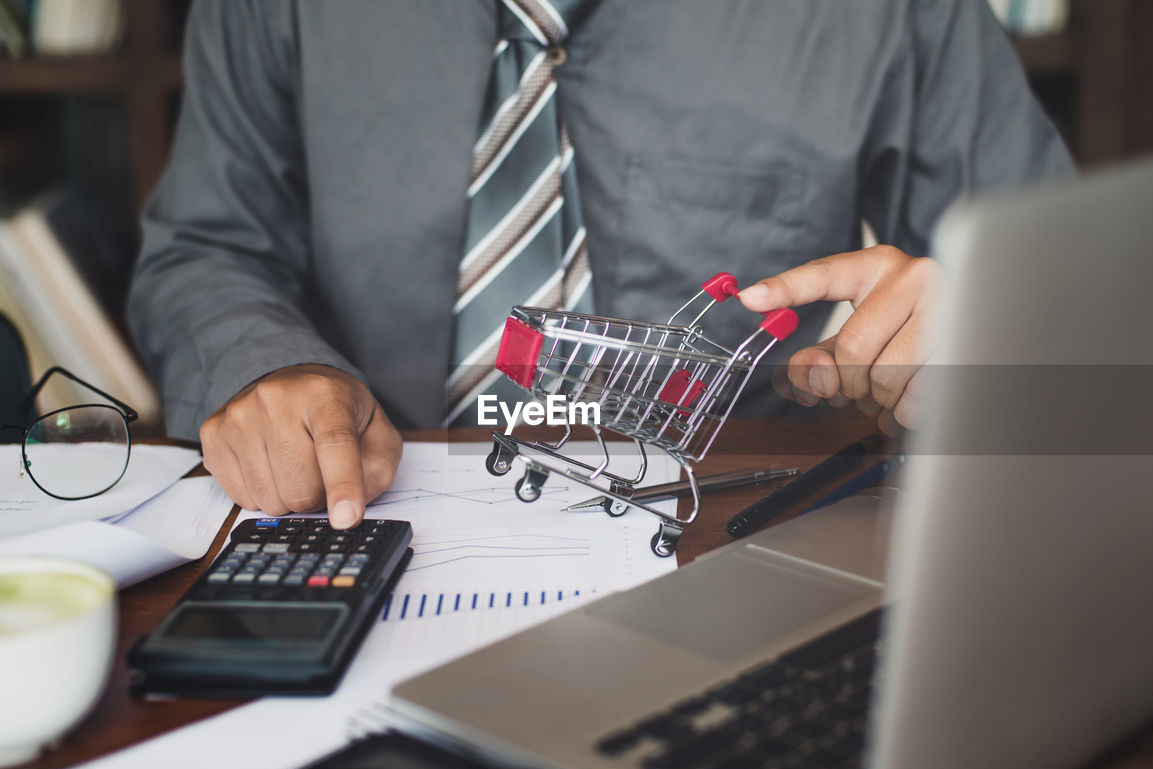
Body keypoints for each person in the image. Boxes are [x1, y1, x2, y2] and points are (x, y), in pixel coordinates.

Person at [128, 0, 1073, 529]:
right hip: (368, 519)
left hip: (738, 539)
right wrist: (257, 360)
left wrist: (991, 321)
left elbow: (1062, 274)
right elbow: (207, 246)